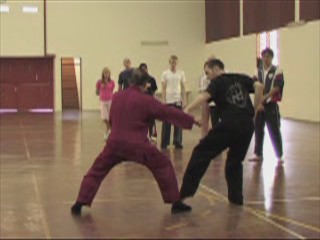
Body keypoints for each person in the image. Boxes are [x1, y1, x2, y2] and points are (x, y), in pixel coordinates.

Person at [71, 69, 201, 216]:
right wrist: (192, 120)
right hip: (138, 145)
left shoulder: (117, 97)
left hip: (114, 143)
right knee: (163, 165)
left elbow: (112, 119)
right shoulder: (146, 100)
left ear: (129, 81)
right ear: (145, 84)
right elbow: (166, 112)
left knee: (96, 170)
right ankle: (175, 202)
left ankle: (79, 202)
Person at [178, 59, 264, 209]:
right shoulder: (240, 77)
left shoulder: (217, 82)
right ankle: (236, 199)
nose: (208, 76)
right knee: (234, 161)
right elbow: (259, 86)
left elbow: (204, 97)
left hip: (230, 124)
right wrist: (255, 111)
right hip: (247, 126)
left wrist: (187, 109)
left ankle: (184, 194)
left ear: (216, 68)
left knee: (201, 152)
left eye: (208, 73)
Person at [249, 48, 284, 164]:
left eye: (268, 56)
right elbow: (254, 85)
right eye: (264, 56)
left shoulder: (277, 70)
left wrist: (266, 96)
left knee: (274, 130)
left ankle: (279, 155)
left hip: (270, 104)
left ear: (272, 58)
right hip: (260, 106)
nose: (265, 58)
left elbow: (277, 87)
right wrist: (258, 102)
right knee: (258, 129)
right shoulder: (257, 70)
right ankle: (258, 154)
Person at [161, 55, 187, 149]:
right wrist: (163, 100)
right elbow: (163, 87)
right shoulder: (165, 73)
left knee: (178, 122)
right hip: (168, 100)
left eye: (175, 62)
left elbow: (183, 87)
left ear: (177, 63)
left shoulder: (181, 73)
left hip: (178, 100)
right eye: (172, 62)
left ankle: (177, 141)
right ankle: (164, 142)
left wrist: (184, 100)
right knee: (167, 122)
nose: (173, 64)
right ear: (169, 63)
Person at [139, 63, 158, 141]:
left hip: (150, 101)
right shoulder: (138, 80)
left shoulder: (151, 79)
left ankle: (152, 134)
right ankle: (143, 135)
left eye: (145, 69)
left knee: (151, 119)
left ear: (147, 69)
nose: (144, 71)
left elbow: (154, 90)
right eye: (142, 70)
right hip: (141, 101)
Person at [96, 67, 115, 140]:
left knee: (110, 117)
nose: (106, 74)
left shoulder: (112, 82)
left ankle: (107, 133)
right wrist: (101, 89)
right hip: (102, 101)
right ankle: (112, 129)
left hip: (110, 100)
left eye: (107, 73)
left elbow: (112, 90)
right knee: (104, 117)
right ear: (103, 74)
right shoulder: (99, 82)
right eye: (105, 73)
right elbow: (97, 92)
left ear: (109, 74)